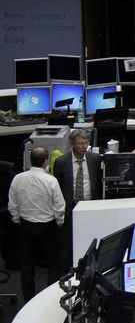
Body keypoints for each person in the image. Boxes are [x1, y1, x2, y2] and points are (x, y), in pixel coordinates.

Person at [8, 146, 65, 302]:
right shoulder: (51, 180)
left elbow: (12, 205)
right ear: (46, 161)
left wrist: (17, 220)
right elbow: (60, 206)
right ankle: (49, 300)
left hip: (26, 227)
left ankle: (28, 301)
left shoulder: (18, 178)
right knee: (54, 265)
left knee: (27, 266)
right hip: (48, 227)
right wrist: (59, 223)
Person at [53, 129, 102, 270]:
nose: (84, 146)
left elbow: (98, 182)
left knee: (90, 241)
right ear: (72, 145)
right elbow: (58, 187)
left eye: (86, 143)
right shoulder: (61, 162)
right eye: (80, 143)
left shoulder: (95, 159)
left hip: (91, 207)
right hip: (70, 208)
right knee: (68, 247)